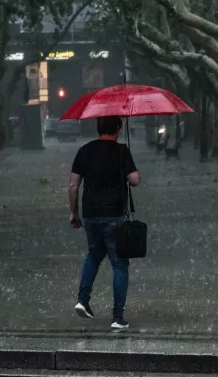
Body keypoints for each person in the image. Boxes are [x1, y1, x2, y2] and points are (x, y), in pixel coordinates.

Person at [68, 116, 141, 330]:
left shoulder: (84, 150)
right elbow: (135, 181)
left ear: (98, 128)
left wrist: (74, 213)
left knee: (94, 254)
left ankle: (83, 300)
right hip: (115, 215)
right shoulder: (121, 151)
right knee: (119, 263)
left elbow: (73, 187)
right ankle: (117, 317)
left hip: (91, 215)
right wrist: (129, 165)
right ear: (118, 129)